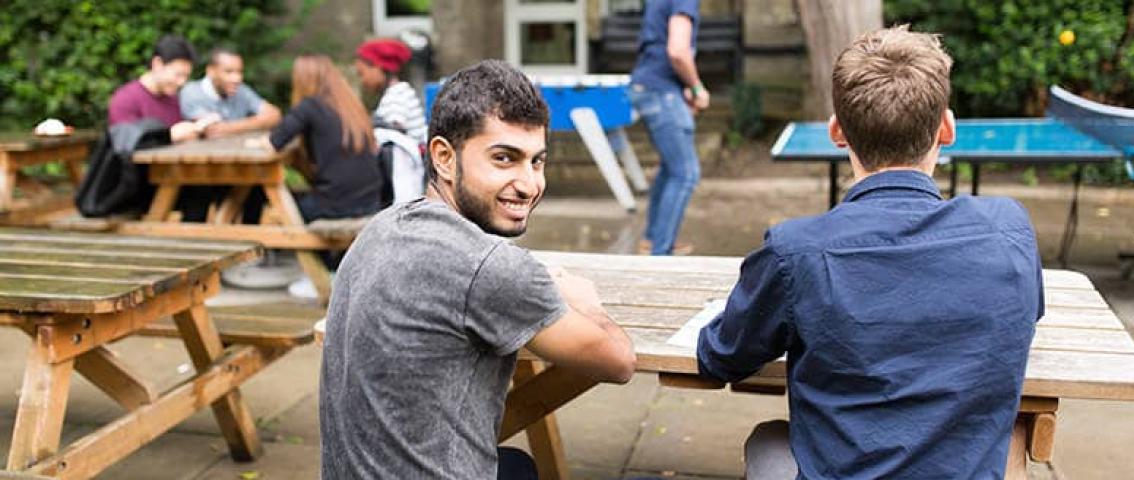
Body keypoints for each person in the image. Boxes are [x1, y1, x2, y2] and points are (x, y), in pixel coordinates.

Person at [696, 26, 1044, 479]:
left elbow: (720, 357)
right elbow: (1025, 315)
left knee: (767, 439)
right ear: (947, 128)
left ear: (837, 132)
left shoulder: (794, 251)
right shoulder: (1009, 229)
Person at [320, 59, 636, 479]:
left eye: (536, 162)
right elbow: (619, 363)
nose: (528, 184)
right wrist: (586, 301)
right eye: (504, 159)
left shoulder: (381, 228)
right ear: (444, 158)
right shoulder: (489, 267)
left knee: (517, 466)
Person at [262, 54, 384, 223]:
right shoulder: (351, 106)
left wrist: (260, 142)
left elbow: (275, 141)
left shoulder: (309, 106)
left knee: (272, 211)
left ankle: (305, 250)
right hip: (370, 201)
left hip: (336, 206)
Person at [628, 0, 708, 255]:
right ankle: (660, 255)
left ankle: (652, 239)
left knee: (670, 167)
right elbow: (677, 51)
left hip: (649, 85)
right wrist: (697, 87)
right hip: (661, 91)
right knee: (686, 173)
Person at [107, 34, 202, 142]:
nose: (182, 82)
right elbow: (124, 144)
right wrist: (168, 136)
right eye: (178, 74)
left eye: (186, 76)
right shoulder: (125, 99)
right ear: (157, 64)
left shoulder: (173, 99)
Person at [179, 48, 282, 137]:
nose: (237, 79)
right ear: (210, 71)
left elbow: (275, 115)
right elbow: (213, 131)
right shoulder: (191, 92)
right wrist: (258, 122)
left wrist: (230, 127)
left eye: (239, 72)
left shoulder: (241, 90)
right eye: (229, 71)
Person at [354, 38, 428, 142]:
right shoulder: (401, 90)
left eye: (361, 73)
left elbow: (393, 135)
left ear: (378, 67)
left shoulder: (396, 97)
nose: (362, 80)